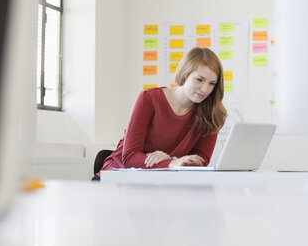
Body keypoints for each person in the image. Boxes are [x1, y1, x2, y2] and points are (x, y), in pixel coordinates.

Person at [94, 47, 227, 179]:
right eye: (199, 80)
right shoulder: (149, 98)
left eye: (212, 83)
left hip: (160, 181)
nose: (205, 89)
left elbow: (200, 162)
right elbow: (130, 157)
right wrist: (171, 163)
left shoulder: (212, 113)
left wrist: (171, 160)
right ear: (185, 74)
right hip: (117, 176)